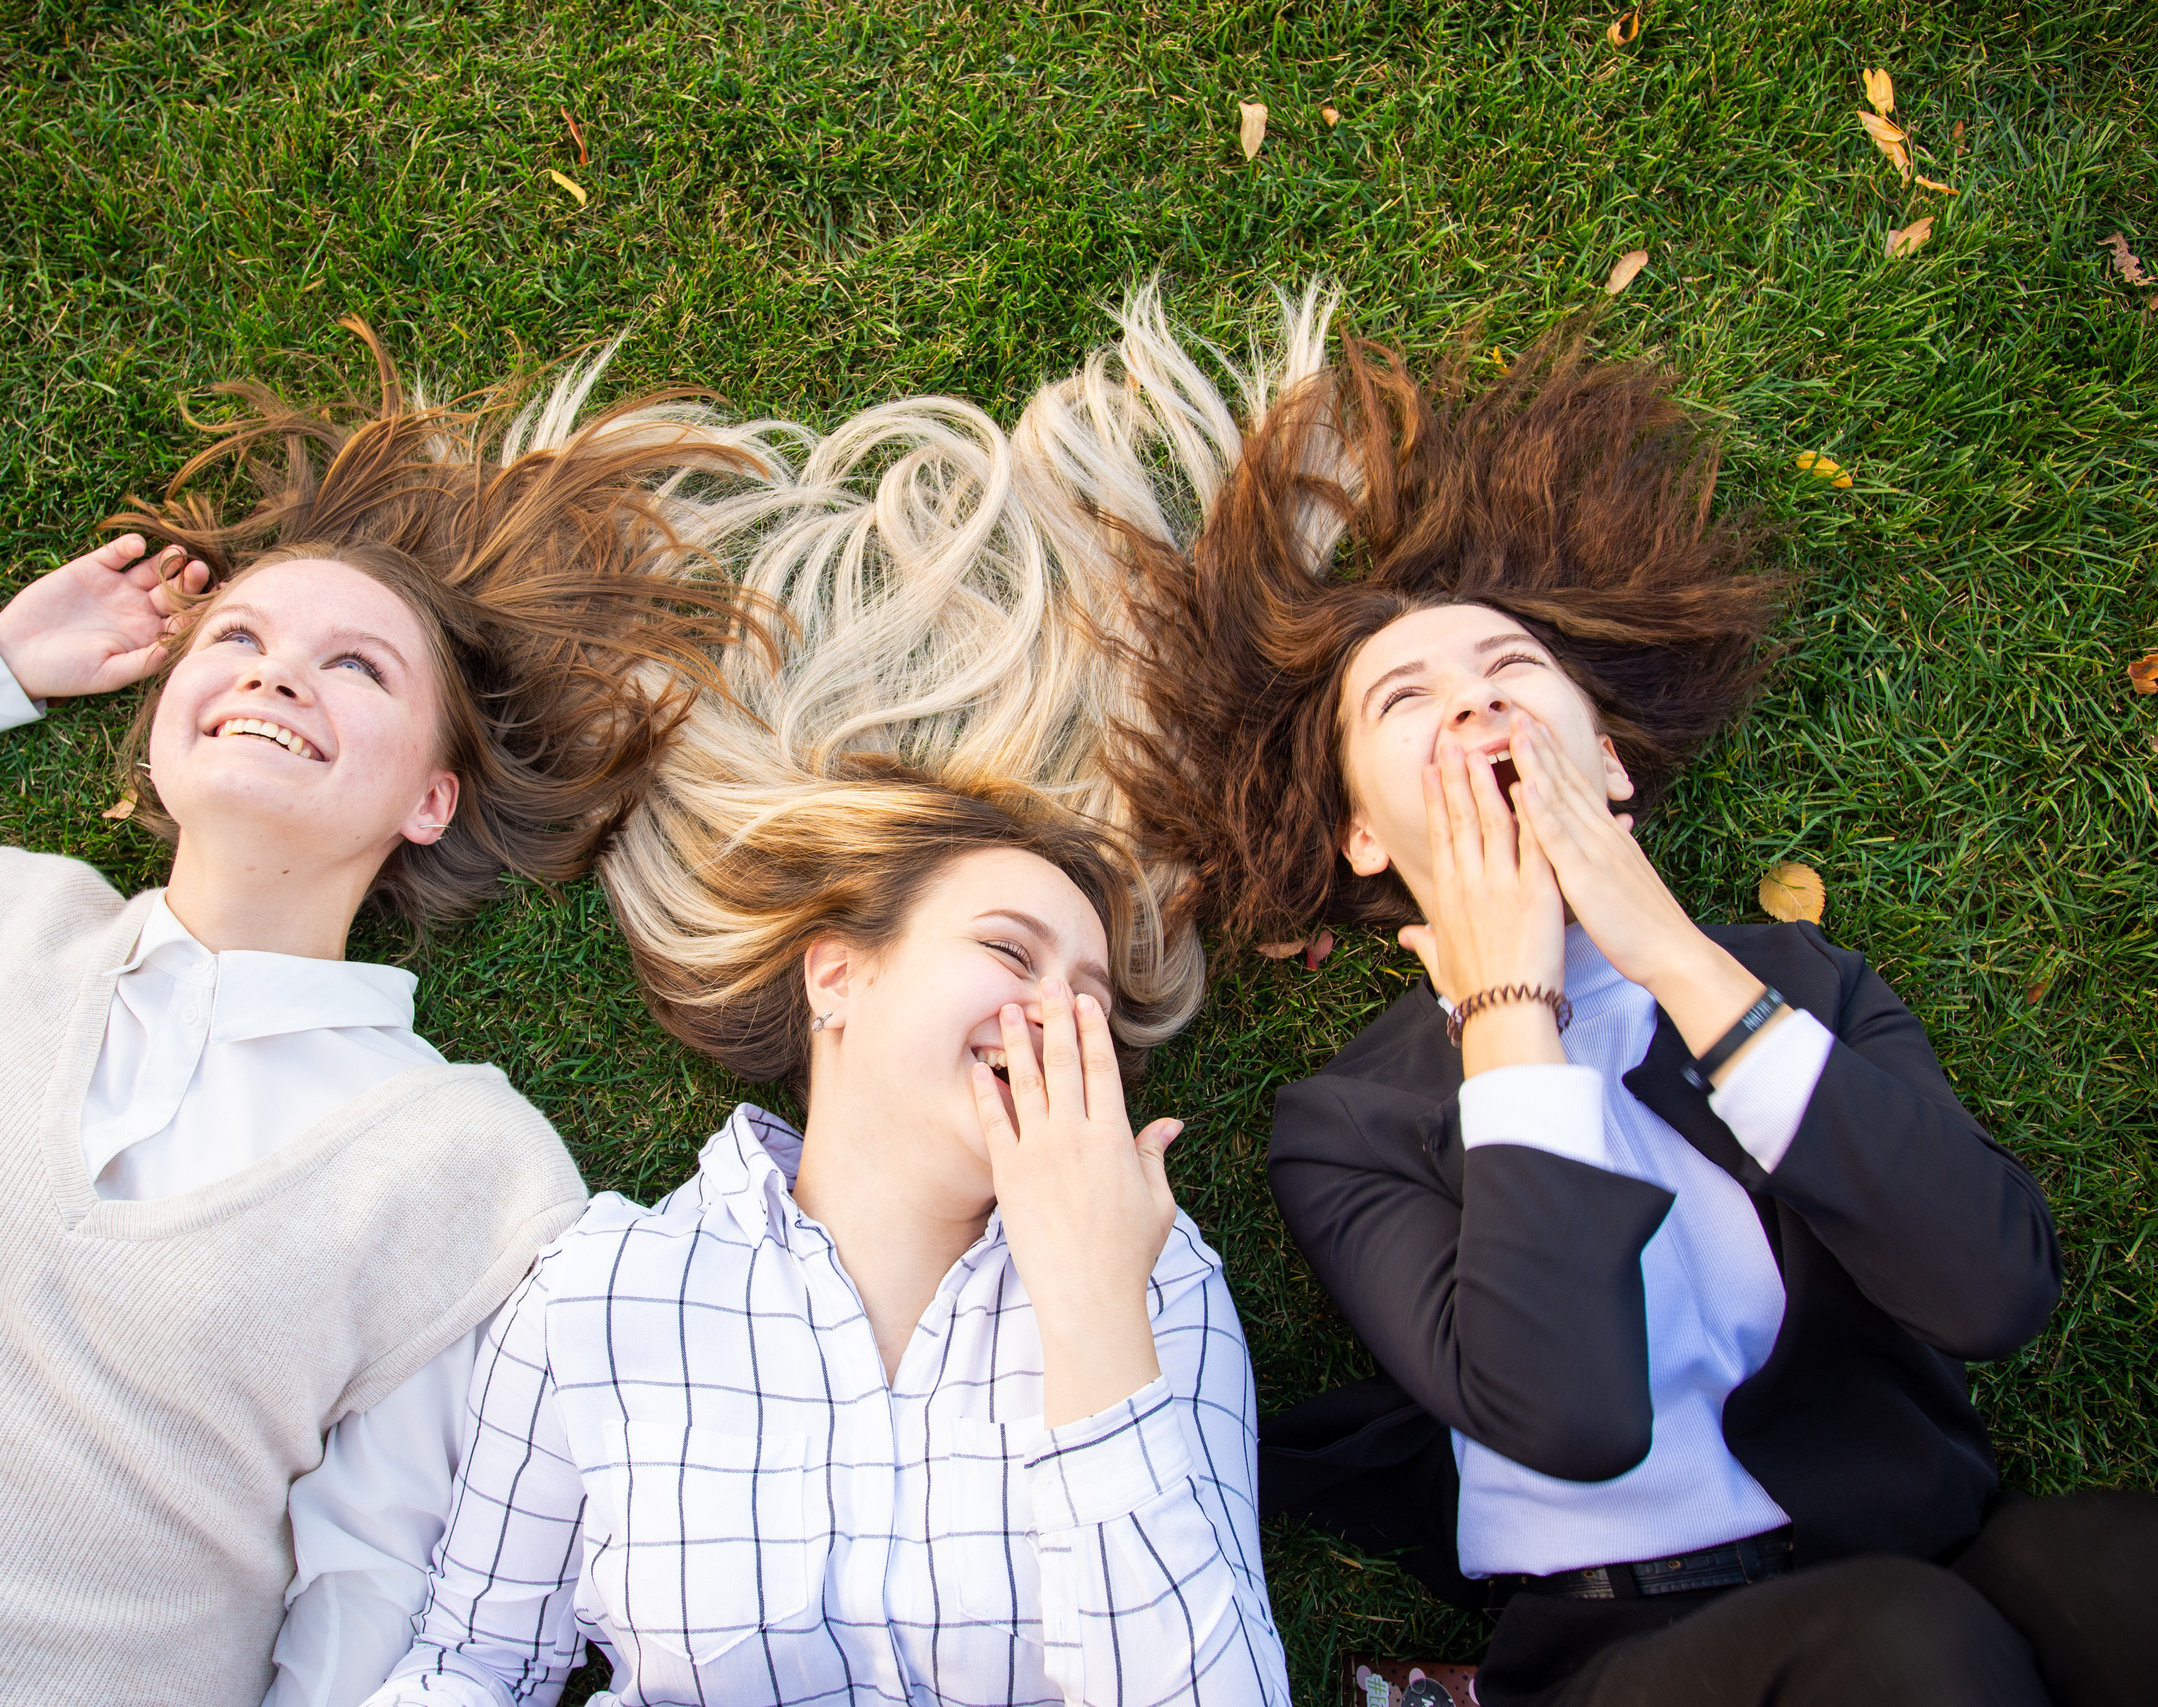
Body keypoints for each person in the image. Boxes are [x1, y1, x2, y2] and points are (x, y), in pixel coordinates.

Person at [0, 320, 762, 1707]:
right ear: (161, 718)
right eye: (240, 636)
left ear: (429, 798)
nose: (278, 674)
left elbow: (368, 1604)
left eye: (358, 669)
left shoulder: (468, 1170)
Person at [1101, 308, 2158, 1706]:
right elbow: (1568, 1418)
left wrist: (1661, 945)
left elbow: (1991, 1287)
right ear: (1363, 834)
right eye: (1407, 699)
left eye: (1513, 673)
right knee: (1908, 1647)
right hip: (1624, 1647)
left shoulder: (1802, 985)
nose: (1476, 709)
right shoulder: (1346, 1123)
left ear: (1604, 758)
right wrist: (1509, 1001)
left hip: (1920, 1547)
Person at [355, 366, 1290, 1706]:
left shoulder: (1156, 1282)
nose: (1063, 1020)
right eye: (1011, 954)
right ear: (836, 982)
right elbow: (475, 1663)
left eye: (1092, 997)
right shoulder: (606, 1290)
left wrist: (1092, 1308)